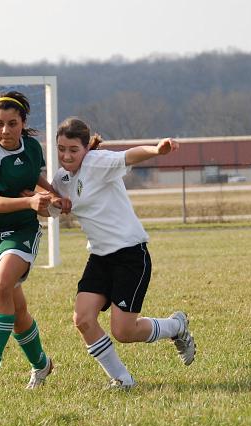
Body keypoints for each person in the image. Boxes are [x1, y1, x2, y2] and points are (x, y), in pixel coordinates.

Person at [51, 117, 196, 390]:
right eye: (61, 149)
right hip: (99, 257)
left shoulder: (97, 163)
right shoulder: (61, 179)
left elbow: (130, 156)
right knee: (82, 319)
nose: (66, 155)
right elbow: (49, 208)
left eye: (73, 149)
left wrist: (156, 150)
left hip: (130, 255)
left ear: (86, 148)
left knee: (124, 331)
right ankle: (122, 380)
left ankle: (175, 326)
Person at [0, 91, 67, 389]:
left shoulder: (32, 148)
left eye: (12, 123)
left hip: (22, 229)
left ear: (23, 123)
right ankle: (42, 364)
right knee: (16, 307)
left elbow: (34, 176)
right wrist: (31, 201)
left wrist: (54, 195)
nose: (5, 131)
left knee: (1, 286)